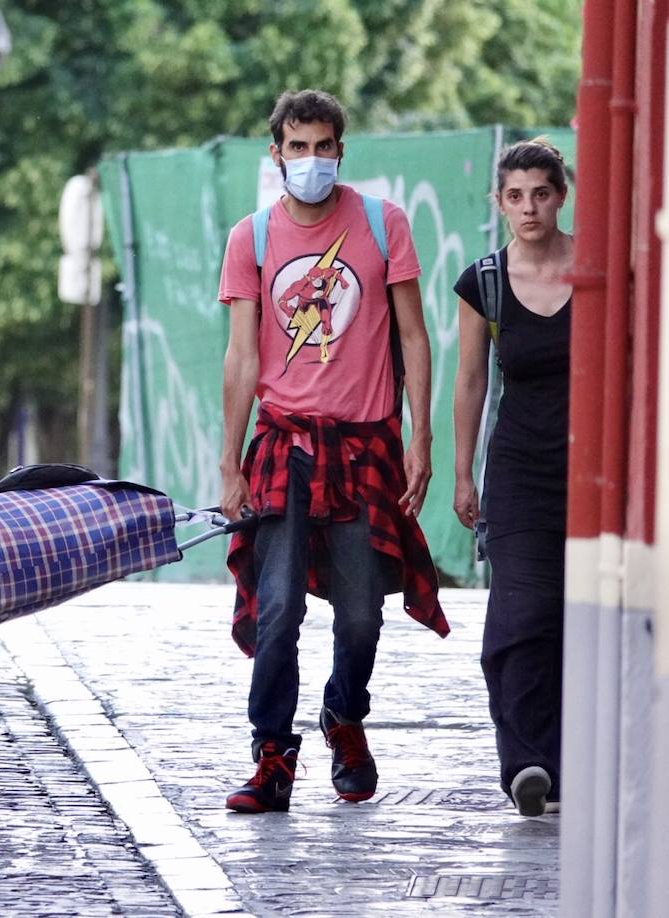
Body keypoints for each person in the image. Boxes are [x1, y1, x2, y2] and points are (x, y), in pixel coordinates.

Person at [216, 89, 450, 814]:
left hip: (364, 445)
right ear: (275, 153)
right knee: (278, 607)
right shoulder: (251, 238)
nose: (311, 160)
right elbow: (241, 358)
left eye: (324, 147)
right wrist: (229, 462)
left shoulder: (384, 225)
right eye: (297, 147)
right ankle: (271, 756)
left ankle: (345, 719)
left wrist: (422, 436)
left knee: (360, 615)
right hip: (284, 444)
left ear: (341, 152)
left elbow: (413, 336)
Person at [452, 139, 572, 818]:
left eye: (542, 193)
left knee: (581, 614)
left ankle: (571, 756)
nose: (530, 207)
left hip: (593, 469)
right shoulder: (485, 283)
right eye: (516, 195)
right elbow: (471, 380)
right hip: (520, 466)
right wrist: (462, 473)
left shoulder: (600, 270)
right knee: (522, 610)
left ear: (561, 195)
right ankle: (526, 761)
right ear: (498, 203)